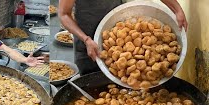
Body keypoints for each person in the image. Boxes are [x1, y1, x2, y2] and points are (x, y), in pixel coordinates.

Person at [59, 0, 188, 75]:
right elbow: (64, 15)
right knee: (91, 88)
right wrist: (86, 39)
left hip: (118, 44)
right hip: (87, 46)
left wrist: (177, 10)